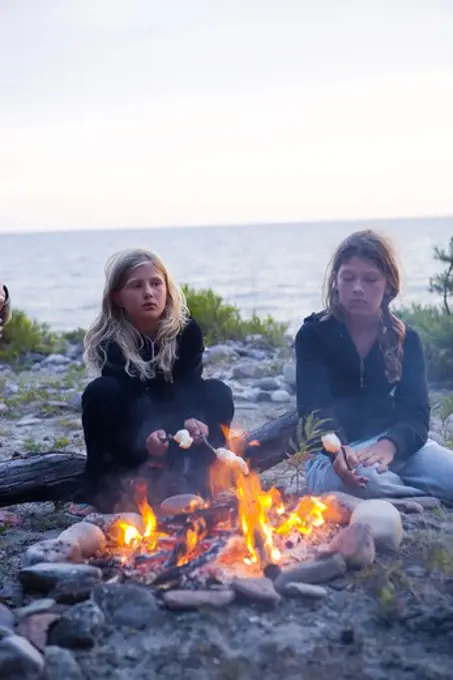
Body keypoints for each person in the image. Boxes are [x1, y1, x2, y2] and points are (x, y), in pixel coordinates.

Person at [296, 230, 453, 505]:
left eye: (370, 279)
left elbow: (416, 415)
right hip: (334, 455)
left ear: (388, 285)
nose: (358, 287)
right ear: (335, 281)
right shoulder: (313, 335)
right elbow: (314, 409)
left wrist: (390, 445)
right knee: (365, 482)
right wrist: (337, 452)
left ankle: (401, 492)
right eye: (348, 278)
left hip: (395, 447)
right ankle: (419, 499)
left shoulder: (406, 339)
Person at [75, 249, 234, 513]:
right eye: (136, 286)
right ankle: (99, 488)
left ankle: (205, 477)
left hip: (177, 424)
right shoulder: (109, 337)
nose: (148, 292)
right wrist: (148, 432)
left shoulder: (186, 330)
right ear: (118, 298)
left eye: (156, 283)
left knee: (218, 392)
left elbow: (189, 382)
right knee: (100, 392)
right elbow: (128, 393)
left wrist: (194, 417)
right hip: (133, 433)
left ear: (167, 289)